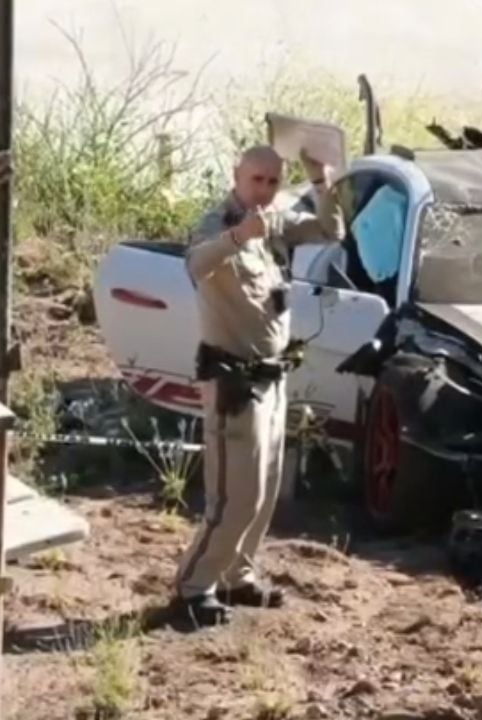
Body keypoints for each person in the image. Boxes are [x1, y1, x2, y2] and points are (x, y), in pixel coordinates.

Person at [172, 144, 345, 626]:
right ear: (237, 177)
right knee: (234, 495)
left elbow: (332, 231)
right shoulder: (219, 222)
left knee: (266, 487)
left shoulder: (275, 221)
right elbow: (195, 265)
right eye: (257, 181)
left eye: (273, 182)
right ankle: (193, 586)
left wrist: (321, 185)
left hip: (272, 377)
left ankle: (236, 576)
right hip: (234, 381)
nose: (265, 191)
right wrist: (235, 236)